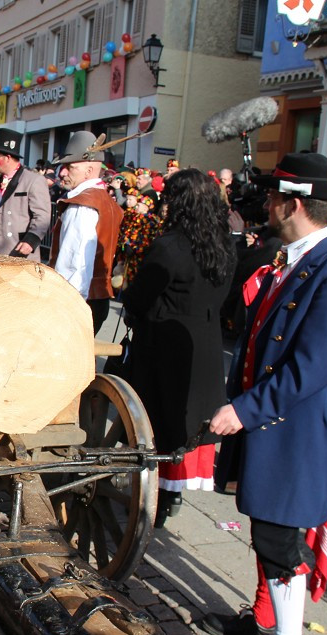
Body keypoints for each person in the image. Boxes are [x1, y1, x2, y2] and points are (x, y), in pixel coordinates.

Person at [205, 153, 327, 635]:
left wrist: (244, 410)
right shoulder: (297, 257)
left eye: (274, 198)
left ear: (294, 203)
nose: (267, 207)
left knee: (279, 542)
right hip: (275, 424)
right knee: (267, 532)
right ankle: (264, 621)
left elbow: (309, 370)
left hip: (297, 431)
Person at [122, 170, 235, 525]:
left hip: (164, 344)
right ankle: (172, 493)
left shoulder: (170, 245)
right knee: (184, 421)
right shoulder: (225, 242)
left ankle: (154, 497)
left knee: (159, 421)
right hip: (205, 341)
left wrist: (133, 307)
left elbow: (140, 297)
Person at [48, 131, 123, 333]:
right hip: (97, 299)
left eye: (69, 167)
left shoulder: (83, 205)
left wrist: (66, 306)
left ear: (89, 170)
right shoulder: (106, 201)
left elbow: (75, 262)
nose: (62, 173)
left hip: (79, 301)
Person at [0, 128, 50, 261]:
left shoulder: (33, 180)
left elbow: (42, 216)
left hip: (16, 251)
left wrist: (31, 240)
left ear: (8, 158)